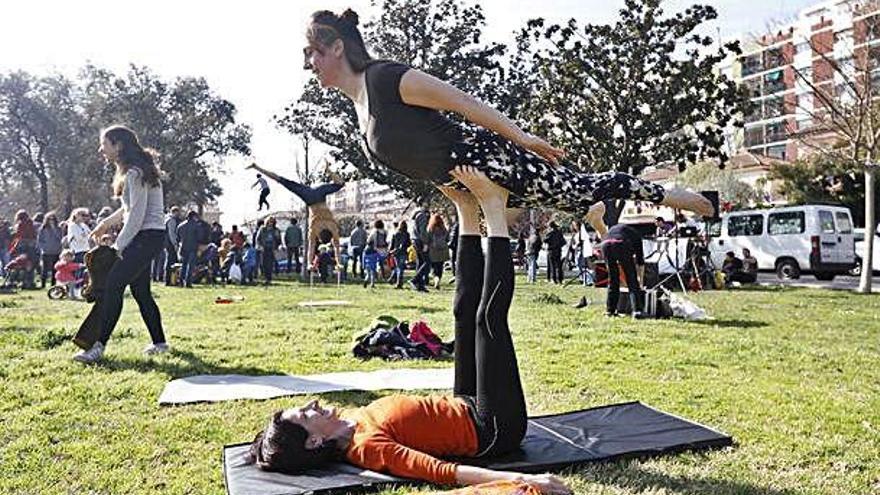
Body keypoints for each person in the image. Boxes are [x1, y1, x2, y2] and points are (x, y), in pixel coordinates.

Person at [249, 167, 571, 495]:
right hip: (492, 428)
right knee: (487, 321)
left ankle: (467, 211)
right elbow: (441, 471)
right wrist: (528, 481)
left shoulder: (349, 417)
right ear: (315, 441)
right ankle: (493, 210)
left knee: (462, 313)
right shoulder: (367, 448)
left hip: (465, 402)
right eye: (305, 414)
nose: (313, 404)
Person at [300, 9, 713, 242]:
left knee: (581, 188)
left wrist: (522, 138)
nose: (310, 63)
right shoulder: (359, 108)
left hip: (491, 159)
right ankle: (594, 212)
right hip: (465, 180)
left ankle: (670, 195)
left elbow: (462, 102)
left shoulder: (385, 78)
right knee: (567, 198)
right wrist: (453, 191)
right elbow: (419, 155)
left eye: (315, 52)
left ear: (338, 47)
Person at [73, 125, 169, 363]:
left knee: (113, 285)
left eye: (104, 144)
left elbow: (137, 215)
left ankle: (97, 347)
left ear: (119, 145)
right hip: (149, 237)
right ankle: (160, 343)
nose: (101, 149)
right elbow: (128, 209)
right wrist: (105, 223)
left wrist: (119, 247)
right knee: (141, 292)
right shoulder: (137, 172)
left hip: (147, 238)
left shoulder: (136, 173)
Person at [246, 163, 343, 270]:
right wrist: (336, 264)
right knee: (283, 181)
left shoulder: (332, 226)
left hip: (318, 194)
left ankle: (328, 170)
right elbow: (316, 247)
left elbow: (330, 247)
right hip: (309, 198)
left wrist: (311, 263)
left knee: (340, 184)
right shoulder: (314, 227)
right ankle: (256, 167)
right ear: (320, 236)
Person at [586, 203, 645, 318]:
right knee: (631, 279)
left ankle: (610, 311)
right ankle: (637, 311)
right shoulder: (637, 237)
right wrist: (640, 281)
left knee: (613, 280)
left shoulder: (619, 229)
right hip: (621, 244)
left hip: (606, 245)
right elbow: (640, 262)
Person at [10, 210, 38, 289]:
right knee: (30, 264)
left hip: (22, 246)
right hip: (32, 246)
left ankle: (21, 282)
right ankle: (30, 282)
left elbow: (18, 236)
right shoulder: (32, 224)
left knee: (21, 263)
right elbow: (34, 235)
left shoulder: (19, 224)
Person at [37, 212, 63, 288]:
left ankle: (53, 284)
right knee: (44, 269)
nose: (51, 221)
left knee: (54, 269)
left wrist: (54, 229)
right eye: (49, 219)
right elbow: (39, 240)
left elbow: (60, 238)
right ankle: (43, 284)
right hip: (46, 251)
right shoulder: (43, 229)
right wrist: (43, 247)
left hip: (56, 251)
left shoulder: (58, 228)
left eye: (53, 219)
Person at [176, 211, 201, 288]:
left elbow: (178, 237)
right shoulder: (196, 226)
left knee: (183, 265)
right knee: (190, 266)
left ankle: (181, 281)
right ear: (193, 216)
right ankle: (188, 282)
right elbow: (199, 237)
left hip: (183, 247)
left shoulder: (180, 225)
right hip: (193, 247)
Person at [410, 205, 431, 291]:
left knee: (420, 262)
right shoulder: (422, 216)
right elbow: (423, 231)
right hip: (420, 241)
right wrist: (425, 243)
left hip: (415, 240)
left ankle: (420, 285)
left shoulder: (415, 215)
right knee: (427, 262)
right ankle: (414, 280)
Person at [257, 216, 281, 285]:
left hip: (272, 248)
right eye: (269, 221)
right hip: (264, 248)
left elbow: (279, 240)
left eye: (272, 222)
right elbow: (258, 239)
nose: (271, 223)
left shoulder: (276, 230)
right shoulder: (262, 229)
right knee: (263, 263)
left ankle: (269, 278)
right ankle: (265, 277)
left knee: (270, 264)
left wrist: (277, 245)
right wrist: (260, 246)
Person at [427, 214, 450, 289]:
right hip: (443, 249)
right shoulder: (443, 228)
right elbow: (447, 237)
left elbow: (428, 238)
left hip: (433, 250)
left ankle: (435, 280)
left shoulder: (430, 228)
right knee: (440, 267)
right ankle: (438, 280)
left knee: (434, 267)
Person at [389, 219, 411, 289]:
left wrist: (390, 251)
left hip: (396, 252)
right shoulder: (407, 234)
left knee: (398, 267)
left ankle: (392, 279)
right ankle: (398, 283)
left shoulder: (395, 233)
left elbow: (392, 243)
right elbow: (409, 243)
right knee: (400, 268)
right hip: (403, 252)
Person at [163, 206, 182, 286]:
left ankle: (168, 280)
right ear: (175, 212)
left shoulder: (166, 219)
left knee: (168, 261)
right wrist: (175, 244)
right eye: (177, 212)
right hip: (170, 244)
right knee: (171, 262)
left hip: (166, 243)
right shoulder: (172, 220)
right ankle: (169, 280)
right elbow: (172, 234)